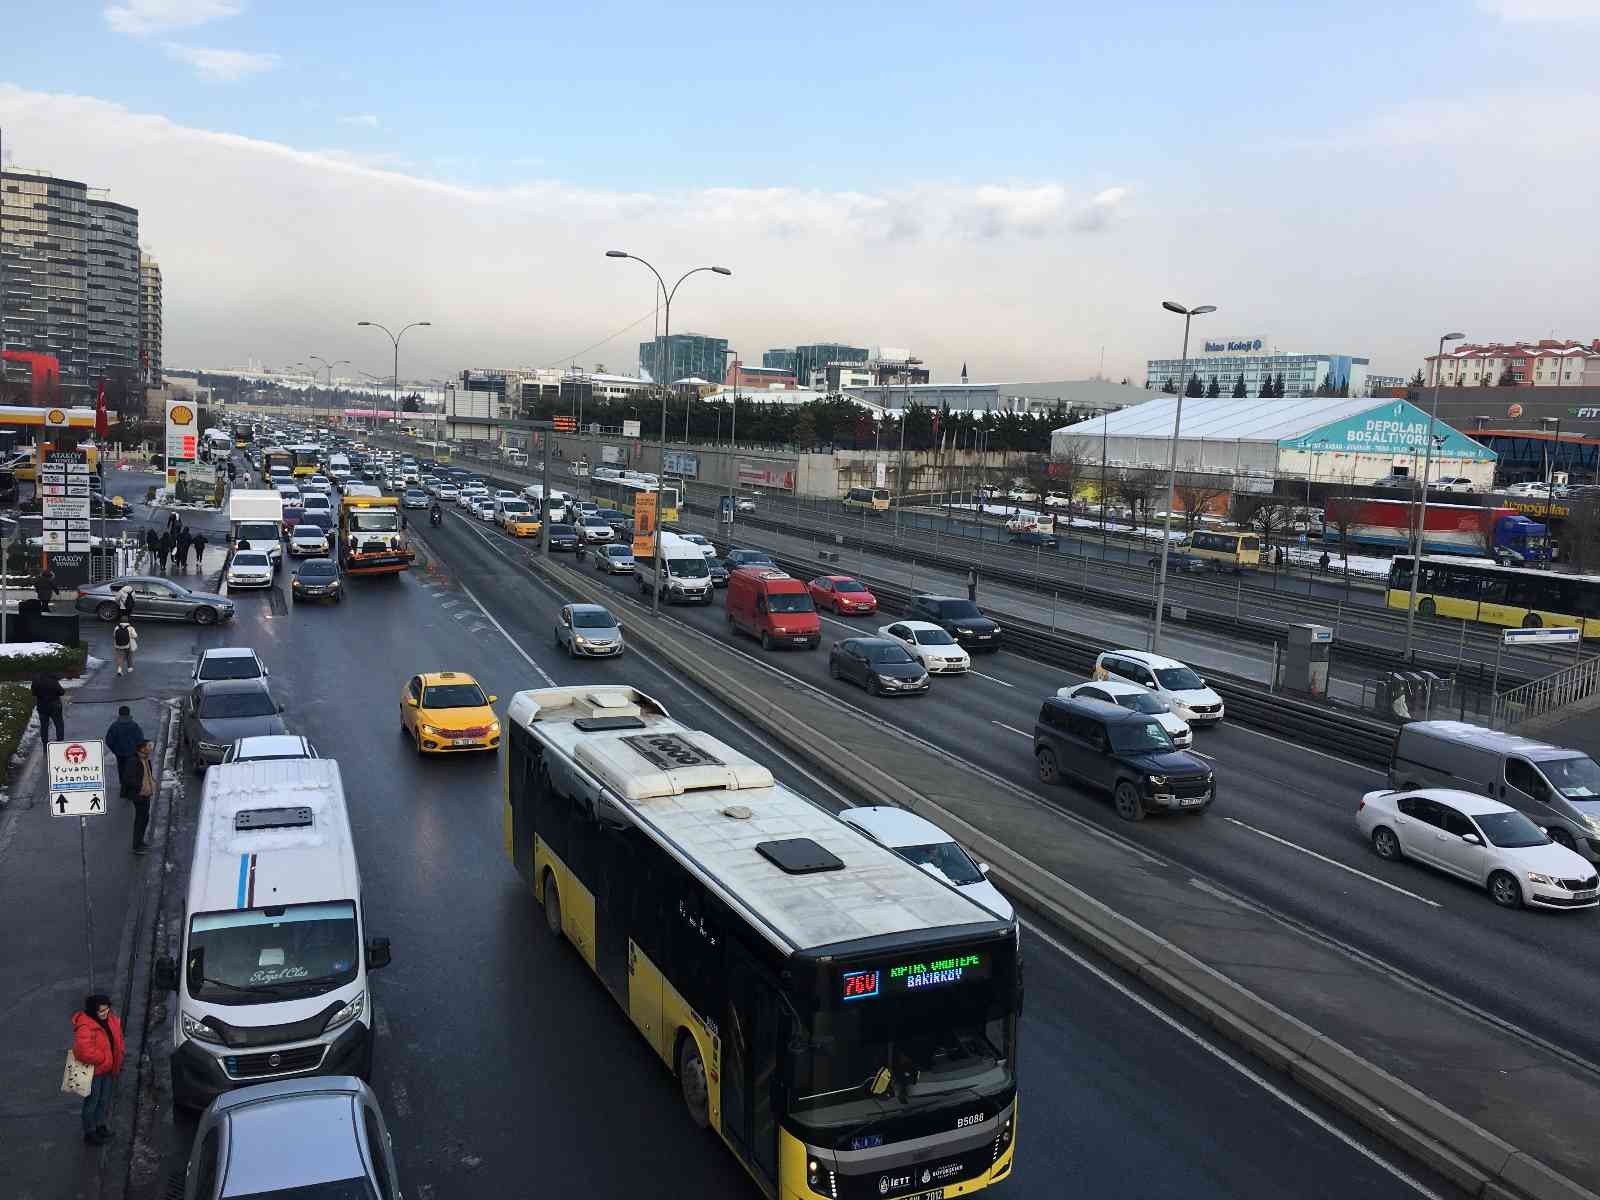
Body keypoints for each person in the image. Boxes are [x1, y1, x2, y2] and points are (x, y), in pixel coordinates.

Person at [71, 994, 124, 1144]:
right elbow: (82, 1051)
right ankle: (90, 1132)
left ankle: (100, 1126)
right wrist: (103, 1058)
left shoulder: (110, 1019)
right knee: (92, 1102)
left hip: (107, 1070)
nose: (105, 1013)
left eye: (107, 1010)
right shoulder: (85, 1026)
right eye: (101, 1011)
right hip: (94, 1072)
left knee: (103, 1100)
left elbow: (118, 1038)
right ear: (93, 1011)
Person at [104, 705, 146, 805]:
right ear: (129, 713)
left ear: (119, 714)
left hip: (120, 754)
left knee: (122, 771)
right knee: (131, 772)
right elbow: (140, 739)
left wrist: (116, 750)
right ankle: (130, 791)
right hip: (132, 754)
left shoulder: (115, 726)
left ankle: (123, 790)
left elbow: (109, 740)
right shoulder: (134, 726)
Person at [131, 740, 155, 853]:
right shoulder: (134, 761)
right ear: (142, 749)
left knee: (144, 819)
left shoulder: (145, 759)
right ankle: (136, 845)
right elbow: (129, 779)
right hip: (140, 795)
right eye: (148, 746)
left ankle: (140, 841)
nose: (150, 748)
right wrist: (140, 788)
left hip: (146, 794)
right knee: (140, 820)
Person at [31, 669, 65, 743]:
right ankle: (60, 740)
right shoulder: (53, 681)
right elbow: (62, 692)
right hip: (55, 705)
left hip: (42, 706)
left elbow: (33, 693)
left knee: (44, 726)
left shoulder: (36, 681)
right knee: (59, 723)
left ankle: (45, 741)